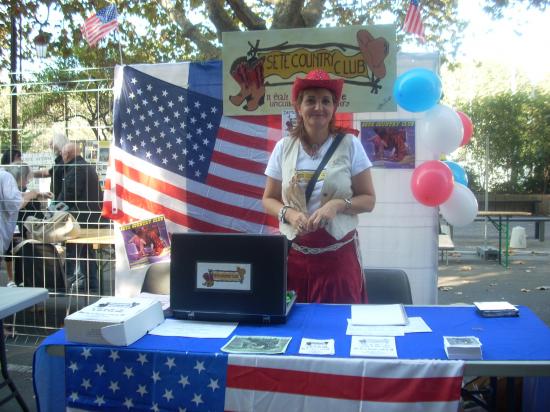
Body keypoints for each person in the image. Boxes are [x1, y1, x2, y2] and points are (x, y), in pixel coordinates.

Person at [263, 69, 376, 304]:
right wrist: (290, 214)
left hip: (339, 258)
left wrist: (337, 204)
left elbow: (368, 200)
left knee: (339, 325)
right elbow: (269, 199)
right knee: (295, 326)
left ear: (334, 107)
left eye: (326, 101)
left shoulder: (351, 145)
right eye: (310, 101)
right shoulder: (283, 148)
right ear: (298, 107)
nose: (318, 107)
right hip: (294, 258)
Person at [57, 142, 102, 293]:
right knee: (86, 252)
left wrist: (54, 208)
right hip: (92, 217)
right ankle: (91, 282)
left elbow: (69, 194)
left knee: (72, 252)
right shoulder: (87, 166)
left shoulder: (76, 169)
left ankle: (65, 283)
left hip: (79, 219)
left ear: (67, 154)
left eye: (62, 154)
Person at [1, 162, 52, 286]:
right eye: (27, 179)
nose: (27, 183)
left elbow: (13, 196)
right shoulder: (7, 178)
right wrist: (30, 195)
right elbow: (15, 204)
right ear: (21, 176)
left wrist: (38, 194)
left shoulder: (4, 176)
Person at [34, 132, 68, 199]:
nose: (51, 150)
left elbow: (48, 173)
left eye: (52, 147)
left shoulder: (62, 162)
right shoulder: (61, 162)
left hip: (60, 200)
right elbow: (49, 172)